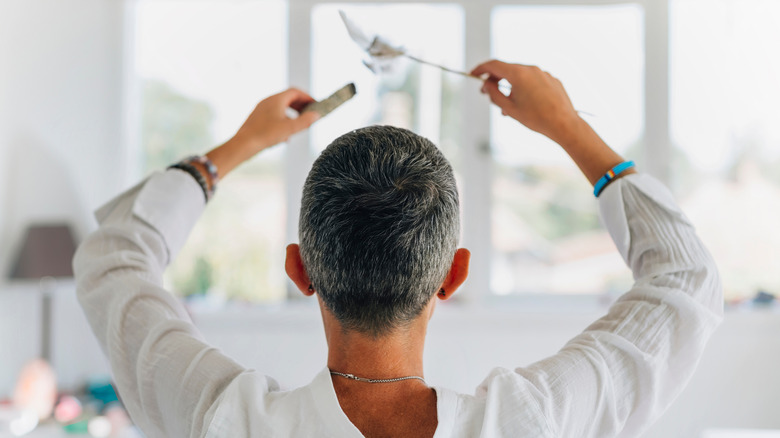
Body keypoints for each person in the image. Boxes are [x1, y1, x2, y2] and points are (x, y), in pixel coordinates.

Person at [73, 60, 722, 438]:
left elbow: (111, 258)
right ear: (454, 274)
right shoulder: (530, 422)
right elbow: (686, 280)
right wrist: (568, 126)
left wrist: (237, 149)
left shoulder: (224, 419)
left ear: (300, 269)